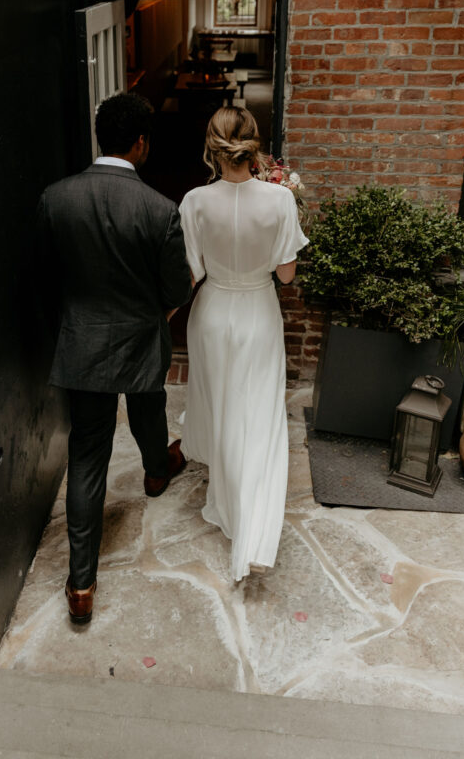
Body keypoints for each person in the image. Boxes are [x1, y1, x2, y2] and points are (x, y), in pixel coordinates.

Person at [37, 92, 193, 624]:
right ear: (141, 142)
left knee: (87, 456)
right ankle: (156, 471)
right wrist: (159, 313)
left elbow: (45, 276)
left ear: (101, 136)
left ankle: (81, 585)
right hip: (141, 336)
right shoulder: (159, 209)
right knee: (149, 409)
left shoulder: (55, 198)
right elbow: (178, 284)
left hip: (83, 340)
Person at [179, 106, 308, 581]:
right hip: (256, 312)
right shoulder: (279, 201)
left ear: (213, 147)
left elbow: (192, 273)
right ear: (254, 145)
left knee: (221, 404)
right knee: (257, 412)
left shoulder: (193, 201)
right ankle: (251, 518)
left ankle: (228, 500)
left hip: (212, 312)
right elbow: (286, 274)